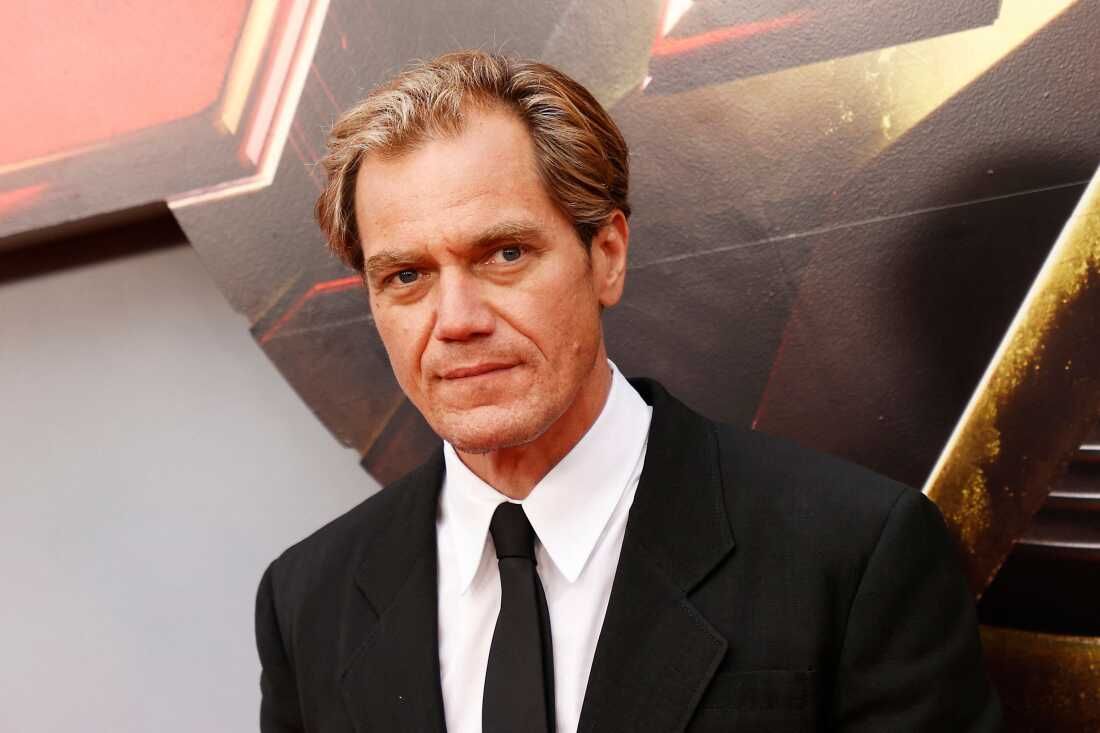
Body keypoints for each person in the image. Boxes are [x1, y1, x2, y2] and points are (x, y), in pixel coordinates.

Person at [255, 50, 1001, 732]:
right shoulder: (307, 599)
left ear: (607, 256)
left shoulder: (852, 553)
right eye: (406, 275)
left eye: (505, 254)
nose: (456, 320)